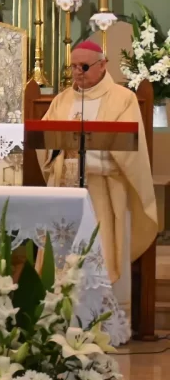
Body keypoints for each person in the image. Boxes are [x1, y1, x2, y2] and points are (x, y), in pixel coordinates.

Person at [39, 40, 157, 319]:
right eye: (73, 67)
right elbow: (44, 141)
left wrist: (89, 158)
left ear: (103, 65)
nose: (77, 73)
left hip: (102, 190)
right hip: (64, 191)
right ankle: (57, 317)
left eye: (84, 66)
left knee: (99, 250)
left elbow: (130, 150)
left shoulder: (122, 98)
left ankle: (101, 319)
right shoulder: (63, 99)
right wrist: (59, 154)